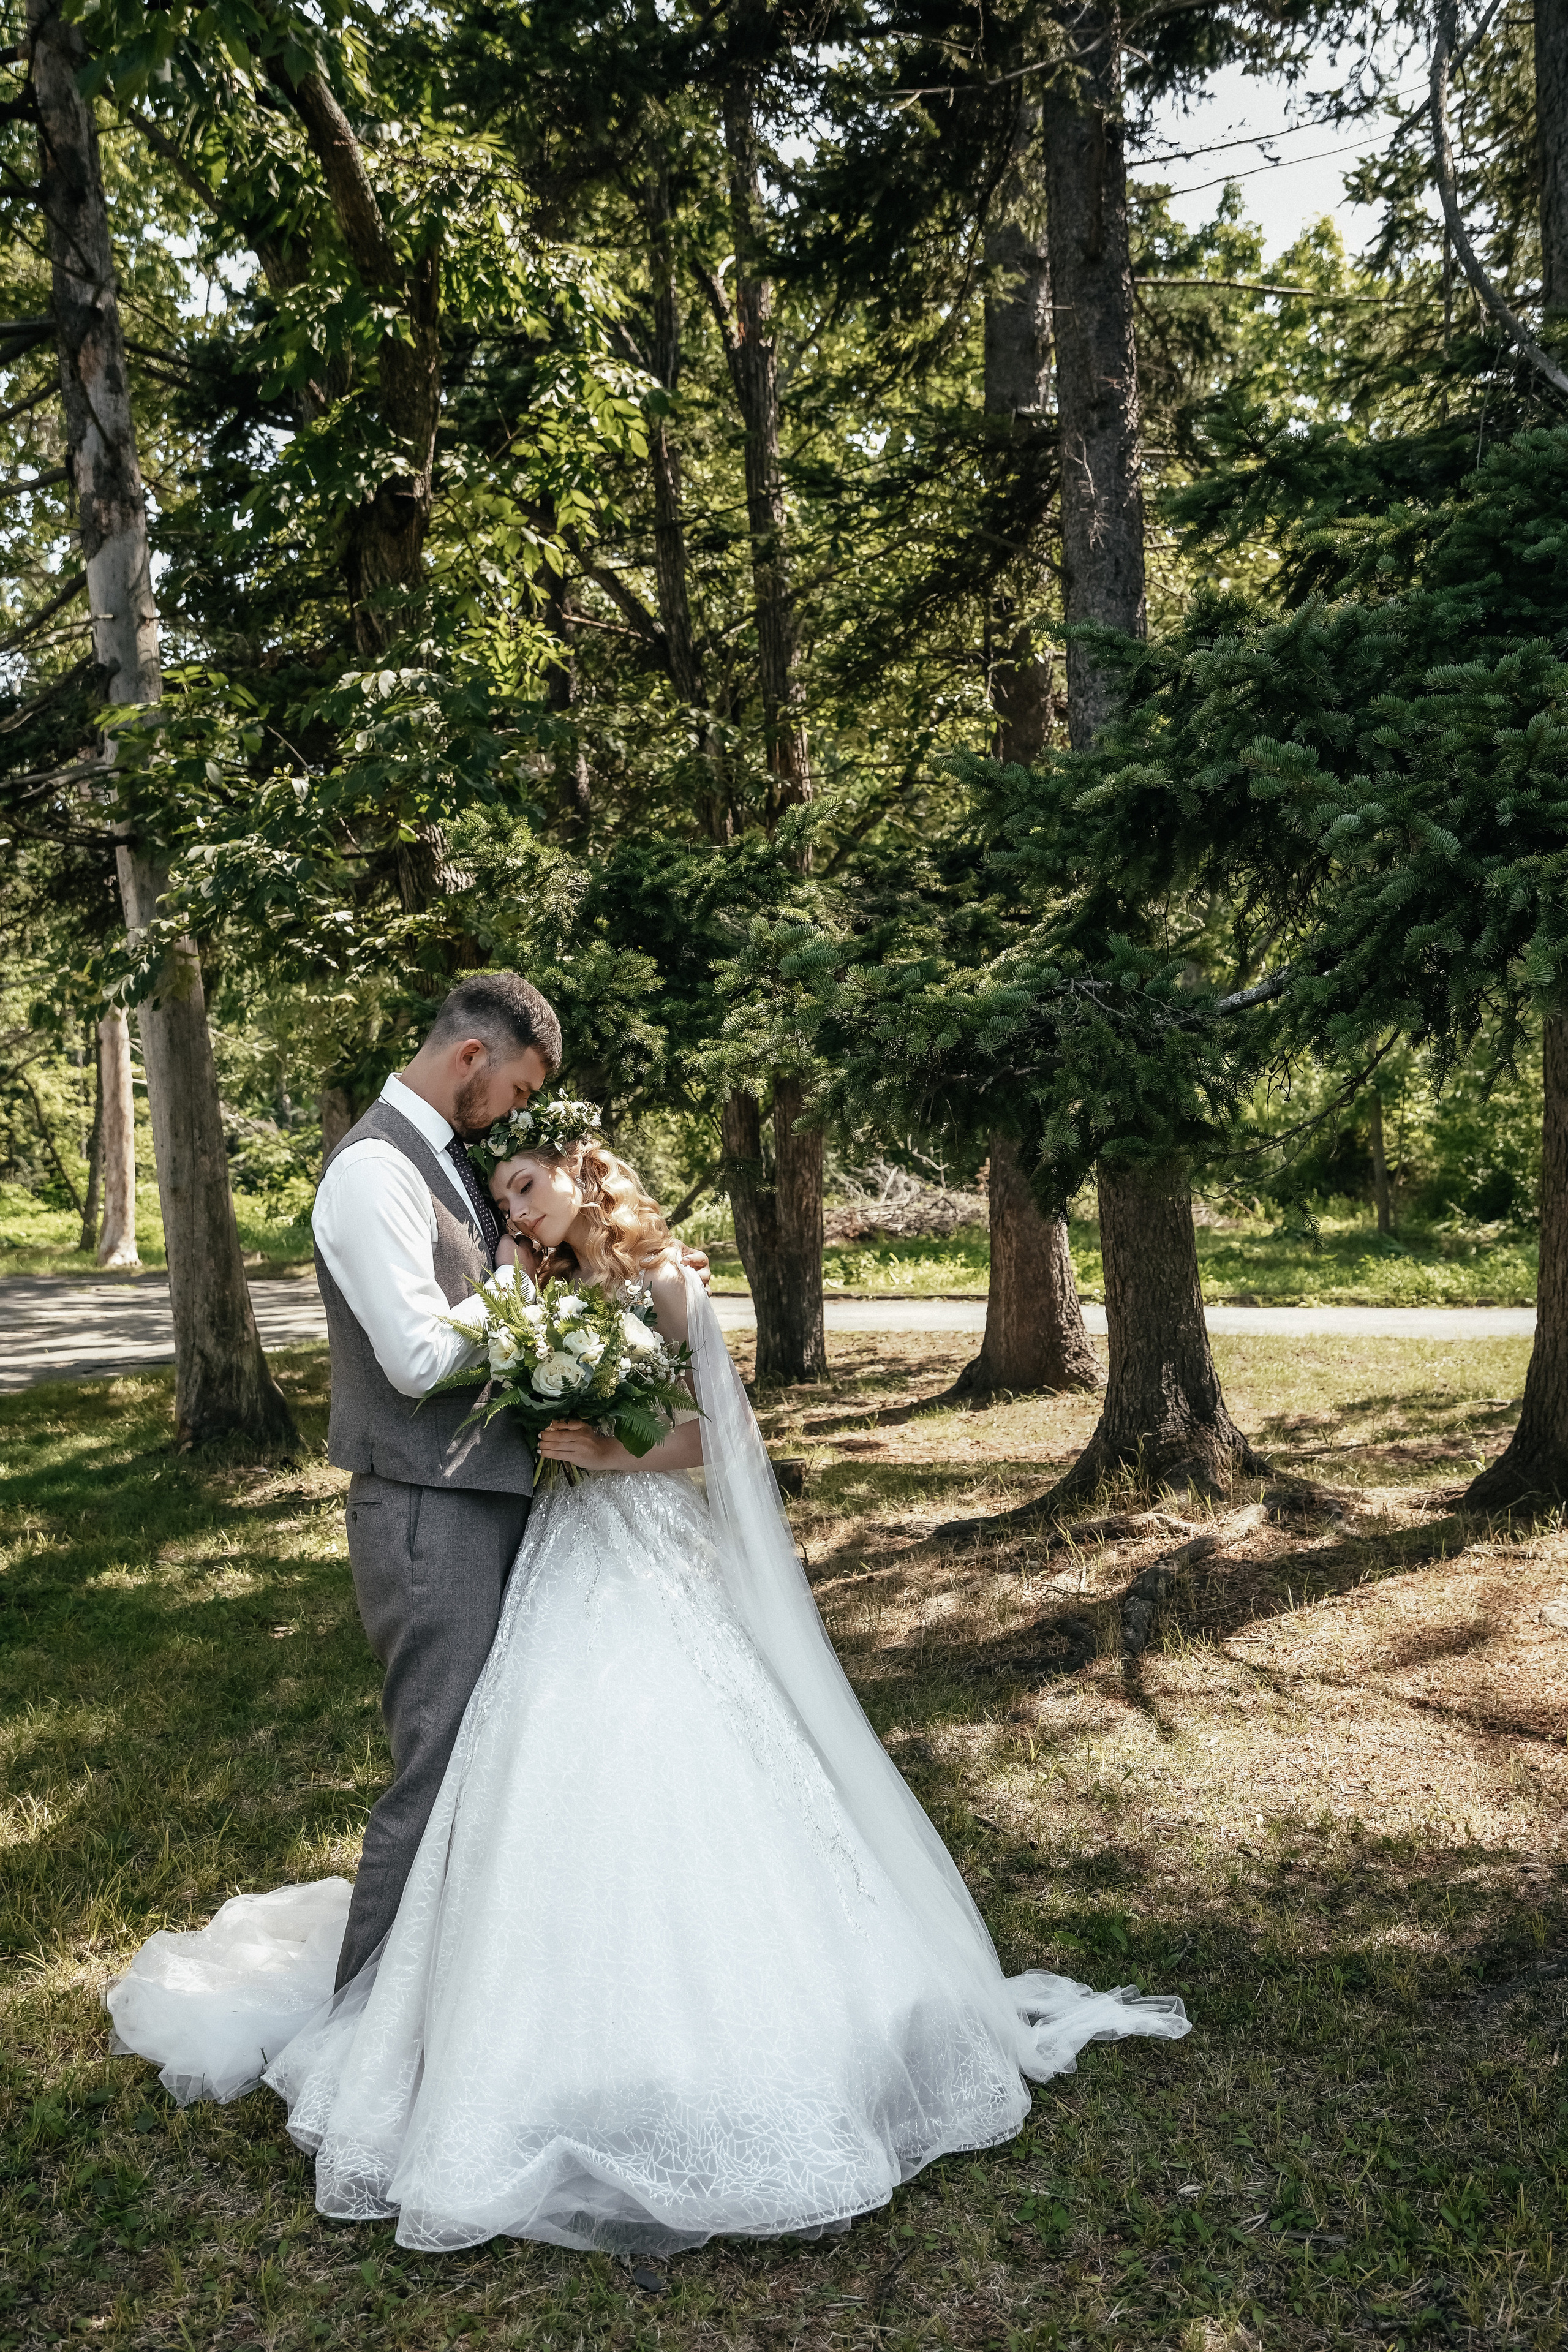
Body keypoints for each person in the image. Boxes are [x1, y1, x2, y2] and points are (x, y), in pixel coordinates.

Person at [108, 1106, 1189, 2257]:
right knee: (537, 1775)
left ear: (580, 1171)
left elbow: (727, 1434)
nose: (512, 1214)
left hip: (652, 1551)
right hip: (561, 1556)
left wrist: (624, 1450)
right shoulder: (532, 1286)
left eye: (525, 1188)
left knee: (689, 1764)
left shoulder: (669, 1283)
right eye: (505, 1199)